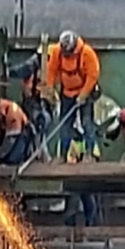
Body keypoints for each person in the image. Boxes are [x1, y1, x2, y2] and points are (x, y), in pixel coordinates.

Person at [46, 30, 101, 163]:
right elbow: (51, 70)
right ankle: (62, 155)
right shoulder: (57, 52)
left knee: (87, 122)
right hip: (66, 93)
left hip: (84, 92)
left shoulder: (86, 53)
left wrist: (83, 94)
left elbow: (93, 75)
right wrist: (50, 88)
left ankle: (89, 154)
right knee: (65, 124)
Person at [7, 44, 56, 141]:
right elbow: (19, 71)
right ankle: (36, 151)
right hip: (32, 100)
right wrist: (6, 72)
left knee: (43, 125)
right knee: (34, 126)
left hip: (44, 101)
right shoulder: (33, 64)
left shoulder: (52, 67)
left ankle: (40, 150)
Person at [0, 93, 35, 167]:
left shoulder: (11, 113)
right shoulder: (1, 113)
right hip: (12, 133)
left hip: (22, 134)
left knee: (11, 160)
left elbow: (10, 140)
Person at [64, 123, 99, 226]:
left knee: (91, 207)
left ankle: (91, 232)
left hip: (86, 180)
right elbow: (68, 160)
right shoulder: (69, 143)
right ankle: (70, 235)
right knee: (71, 209)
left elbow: (96, 157)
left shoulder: (90, 141)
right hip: (72, 180)